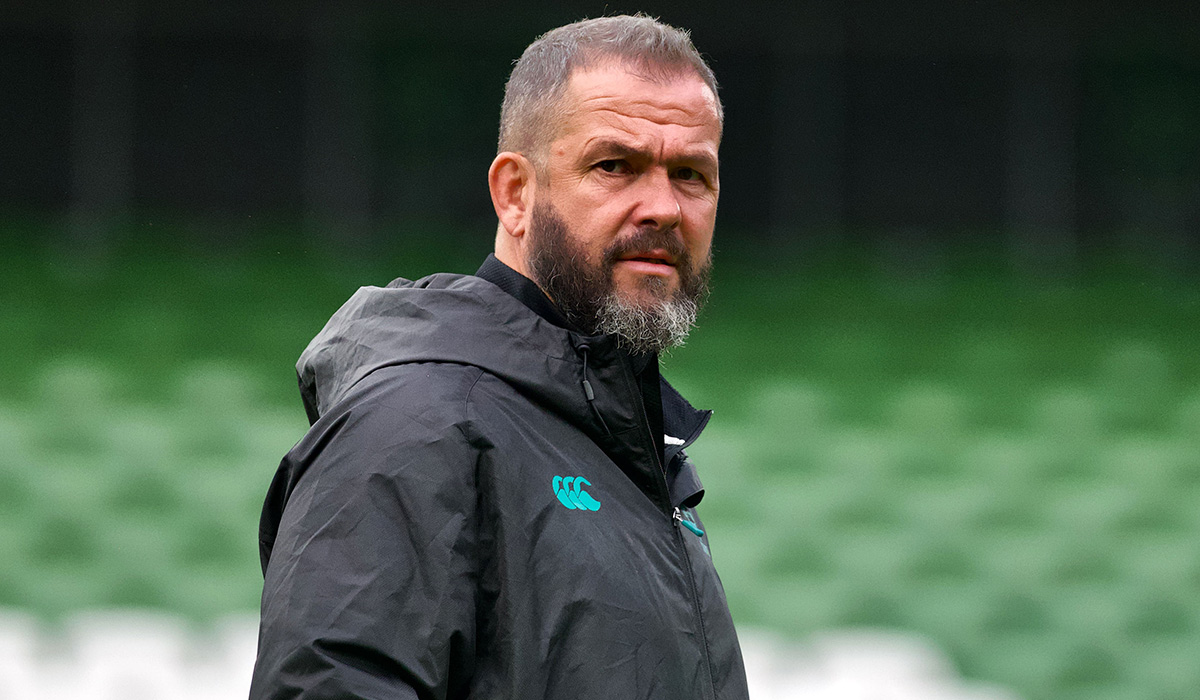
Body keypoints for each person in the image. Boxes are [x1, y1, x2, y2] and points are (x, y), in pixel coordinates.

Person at [250, 14, 749, 700]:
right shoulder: (416, 424)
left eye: (691, 174)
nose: (662, 206)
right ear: (515, 193)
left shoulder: (628, 446)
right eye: (615, 166)